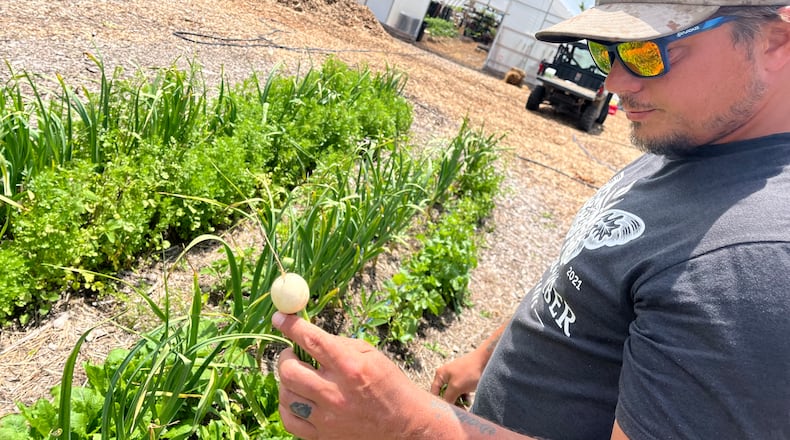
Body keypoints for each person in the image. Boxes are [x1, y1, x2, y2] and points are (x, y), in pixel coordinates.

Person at [274, 1, 790, 438]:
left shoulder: (752, 262)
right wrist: (486, 355)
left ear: (774, 41)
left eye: (646, 53)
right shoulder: (691, 140)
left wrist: (410, 426)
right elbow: (582, 277)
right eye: (605, 52)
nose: (614, 81)